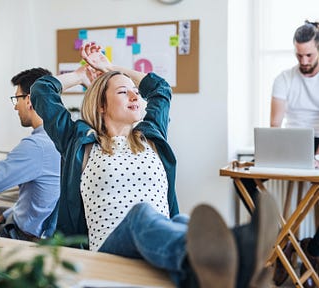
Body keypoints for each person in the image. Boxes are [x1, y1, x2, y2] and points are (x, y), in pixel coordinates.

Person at [30, 42, 280, 287]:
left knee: (182, 222)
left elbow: (159, 87)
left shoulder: (150, 137)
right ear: (101, 105)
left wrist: (111, 68)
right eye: (122, 92)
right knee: (141, 214)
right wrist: (80, 74)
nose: (134, 95)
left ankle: (226, 267)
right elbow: (41, 90)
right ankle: (234, 249)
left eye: (136, 92)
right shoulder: (80, 141)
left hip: (156, 245)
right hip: (109, 253)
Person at [262, 20, 319, 287]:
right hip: (293, 141)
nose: (304, 60)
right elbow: (275, 125)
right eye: (299, 55)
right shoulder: (284, 78)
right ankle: (287, 249)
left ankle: (312, 251)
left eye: (309, 54)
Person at [0, 68, 61, 241]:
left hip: (24, 237)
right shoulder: (59, 136)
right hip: (28, 221)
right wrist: (8, 213)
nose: (15, 106)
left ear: (29, 100)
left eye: (17, 98)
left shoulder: (36, 147)